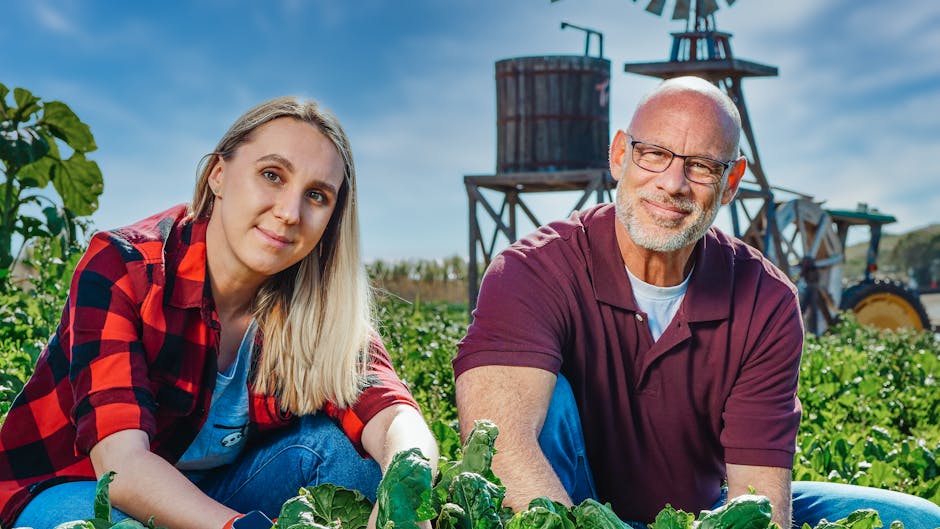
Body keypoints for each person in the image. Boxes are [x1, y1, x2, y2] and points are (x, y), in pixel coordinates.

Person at [453, 77, 940, 529]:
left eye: (702, 166)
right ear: (620, 154)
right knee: (546, 401)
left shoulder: (765, 299)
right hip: (566, 505)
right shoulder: (533, 269)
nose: (673, 183)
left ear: (730, 182)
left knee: (918, 519)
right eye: (654, 154)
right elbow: (502, 445)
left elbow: (758, 496)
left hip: (698, 518)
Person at [0, 96, 438, 529]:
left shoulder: (316, 303)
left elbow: (393, 413)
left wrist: (409, 472)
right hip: (78, 489)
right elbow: (121, 468)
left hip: (218, 493)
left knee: (346, 457)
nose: (289, 213)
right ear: (219, 175)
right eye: (272, 175)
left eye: (317, 196)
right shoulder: (125, 267)